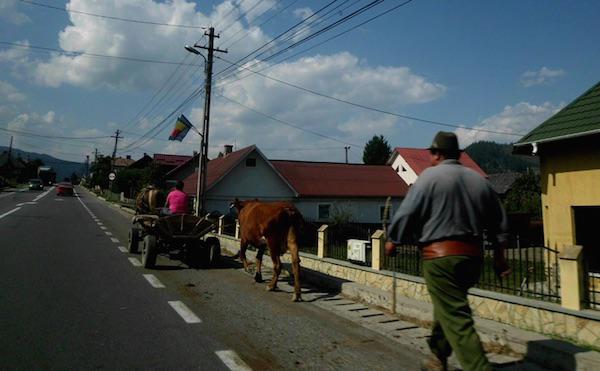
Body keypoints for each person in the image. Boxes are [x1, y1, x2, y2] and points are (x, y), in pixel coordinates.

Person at [385, 131, 510, 371]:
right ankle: (437, 358)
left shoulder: (428, 177)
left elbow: (407, 213)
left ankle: (478, 366)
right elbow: (499, 222)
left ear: (437, 154)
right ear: (458, 154)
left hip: (440, 261)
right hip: (473, 260)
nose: (430, 158)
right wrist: (500, 257)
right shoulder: (479, 180)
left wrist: (393, 240)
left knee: (457, 317)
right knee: (450, 307)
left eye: (432, 153)